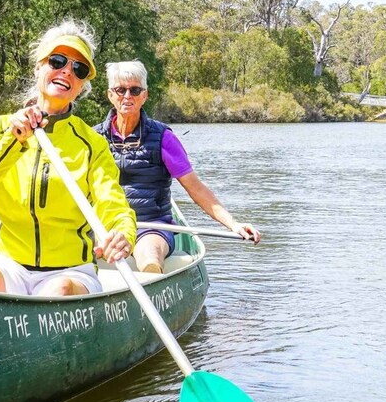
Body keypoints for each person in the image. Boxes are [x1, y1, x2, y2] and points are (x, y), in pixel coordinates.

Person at [0, 21, 136, 296]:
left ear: (82, 85)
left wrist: (122, 234)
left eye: (78, 69)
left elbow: (113, 205)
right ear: (38, 67)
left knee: (58, 290)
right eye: (57, 61)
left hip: (69, 271)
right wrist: (13, 141)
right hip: (7, 263)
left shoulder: (91, 144)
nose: (66, 72)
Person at [94, 60, 261, 274]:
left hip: (152, 226)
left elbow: (196, 188)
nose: (127, 96)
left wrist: (234, 224)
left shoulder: (164, 138)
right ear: (110, 95)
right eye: (120, 90)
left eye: (135, 90)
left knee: (149, 255)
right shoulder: (94, 137)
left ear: (144, 95)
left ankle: (150, 296)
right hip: (106, 224)